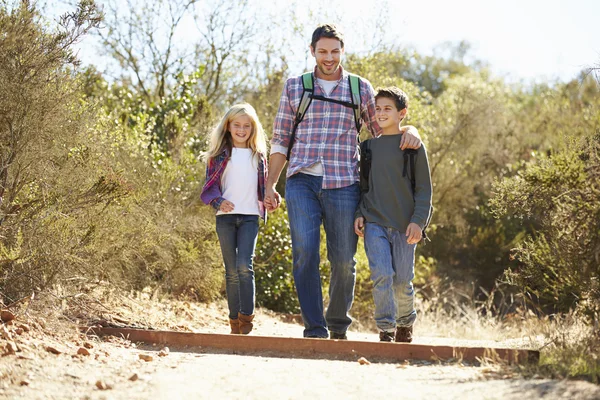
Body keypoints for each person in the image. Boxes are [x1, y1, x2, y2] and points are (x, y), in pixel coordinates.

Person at [264, 24, 422, 339]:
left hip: (344, 183)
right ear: (312, 51)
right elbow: (281, 140)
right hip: (301, 182)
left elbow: (382, 132)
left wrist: (412, 131)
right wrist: (269, 185)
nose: (329, 57)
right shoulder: (296, 87)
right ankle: (315, 327)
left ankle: (337, 324)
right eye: (322, 51)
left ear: (342, 51)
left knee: (343, 261)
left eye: (335, 51)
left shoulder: (359, 88)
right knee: (305, 253)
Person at [354, 87, 432, 343]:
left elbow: (424, 190)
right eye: (377, 109)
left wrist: (418, 222)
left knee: (402, 280)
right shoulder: (367, 148)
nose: (381, 113)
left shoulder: (412, 147)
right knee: (382, 275)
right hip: (374, 221)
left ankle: (405, 323)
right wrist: (359, 213)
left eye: (388, 108)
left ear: (402, 113)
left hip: (404, 226)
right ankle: (385, 329)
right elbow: (362, 187)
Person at [201, 103, 268, 335]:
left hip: (250, 217)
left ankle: (246, 316)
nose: (241, 130)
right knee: (231, 271)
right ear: (228, 127)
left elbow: (265, 189)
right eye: (237, 125)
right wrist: (219, 202)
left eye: (246, 126)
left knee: (244, 266)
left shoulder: (259, 156)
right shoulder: (218, 157)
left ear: (253, 128)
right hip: (226, 219)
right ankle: (233, 321)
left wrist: (271, 199)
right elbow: (208, 189)